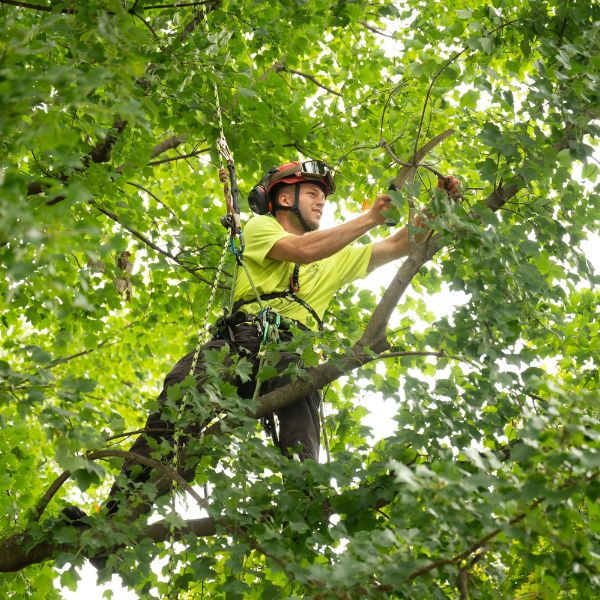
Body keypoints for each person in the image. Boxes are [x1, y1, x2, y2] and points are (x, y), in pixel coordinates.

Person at [65, 160, 459, 529]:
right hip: (239, 342)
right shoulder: (258, 227)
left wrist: (438, 205)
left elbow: (402, 244)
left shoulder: (334, 257)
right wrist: (372, 217)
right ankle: (113, 520)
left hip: (291, 351)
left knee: (300, 422)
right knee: (180, 397)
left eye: (324, 195)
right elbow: (302, 250)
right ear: (285, 198)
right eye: (313, 192)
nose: (322, 200)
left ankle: (305, 506)